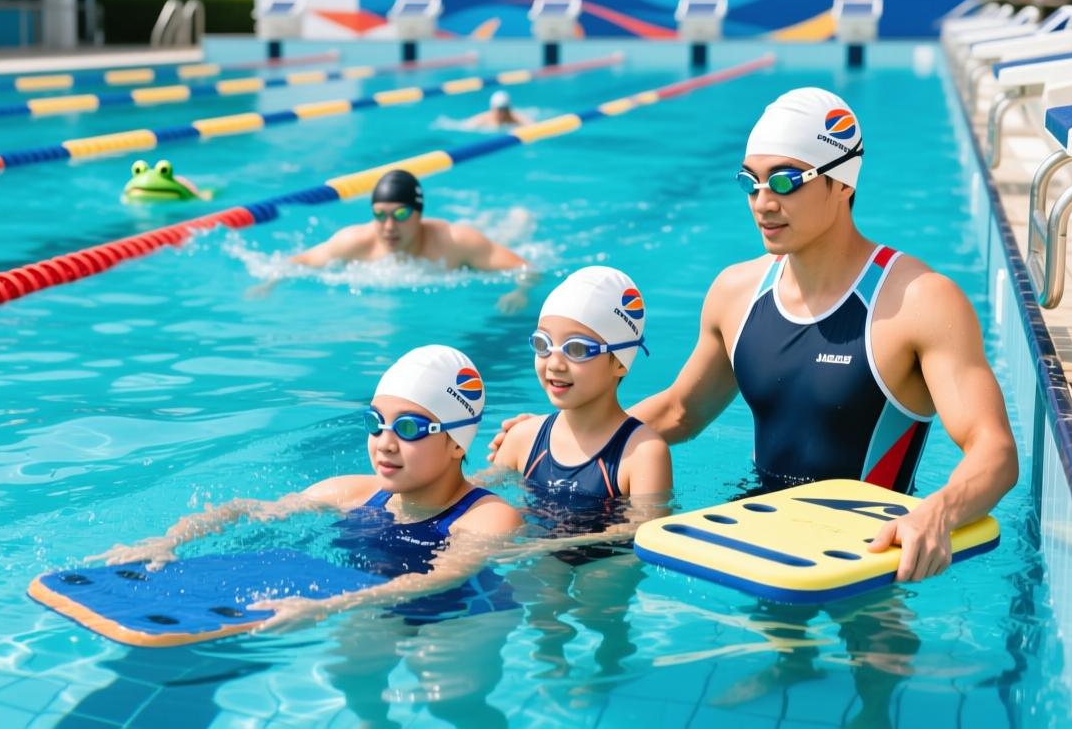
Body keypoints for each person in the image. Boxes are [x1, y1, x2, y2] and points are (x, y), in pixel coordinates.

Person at [494, 88, 1019, 583]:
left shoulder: (918, 300)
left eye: (787, 180)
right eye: (751, 182)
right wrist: (560, 436)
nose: (763, 202)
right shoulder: (736, 292)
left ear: (843, 182)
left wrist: (936, 515)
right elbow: (681, 411)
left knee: (876, 669)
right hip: (758, 534)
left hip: (872, 555)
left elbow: (993, 449)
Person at [95, 345, 524, 630]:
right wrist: (169, 541)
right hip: (371, 604)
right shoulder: (353, 492)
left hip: (465, 617)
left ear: (455, 443)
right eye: (376, 423)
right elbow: (246, 510)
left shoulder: (489, 516)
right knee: (352, 674)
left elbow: (443, 577)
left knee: (444, 687)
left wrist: (326, 607)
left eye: (409, 428)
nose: (385, 443)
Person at [490, 265, 672, 688]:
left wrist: (555, 543)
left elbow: (644, 531)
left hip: (609, 556)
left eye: (577, 349)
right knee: (538, 590)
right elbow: (477, 497)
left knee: (598, 598)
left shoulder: (641, 452)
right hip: (545, 548)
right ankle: (549, 664)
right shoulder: (525, 436)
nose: (554, 363)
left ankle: (612, 653)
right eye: (543, 345)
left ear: (619, 363)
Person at [290, 169, 539, 313]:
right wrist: (270, 283)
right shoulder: (354, 241)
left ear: (419, 213)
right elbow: (300, 261)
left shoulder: (455, 241)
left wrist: (520, 292)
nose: (389, 227)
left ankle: (517, 220)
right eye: (380, 215)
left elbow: (525, 267)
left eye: (400, 214)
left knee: (503, 237)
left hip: (468, 251)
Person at [465, 89, 531, 129]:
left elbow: (532, 126)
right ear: (493, 109)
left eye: (504, 109)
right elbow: (465, 126)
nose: (502, 113)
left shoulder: (514, 117)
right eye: (499, 110)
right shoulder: (483, 119)